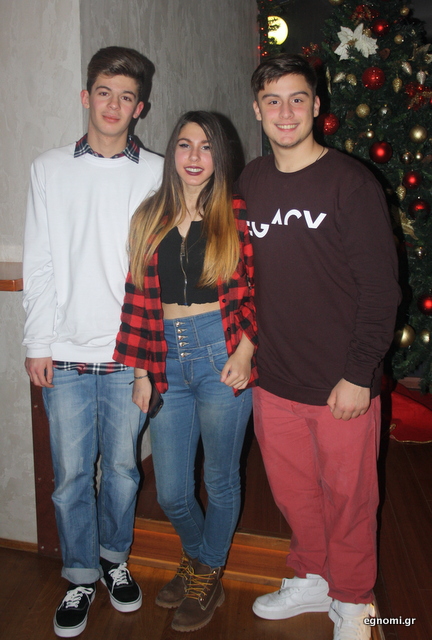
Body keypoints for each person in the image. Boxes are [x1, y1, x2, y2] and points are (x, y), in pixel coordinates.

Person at [237, 54, 400, 640]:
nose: (286, 112)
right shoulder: (250, 182)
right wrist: (246, 348)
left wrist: (359, 374)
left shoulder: (350, 183)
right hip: (274, 379)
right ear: (257, 109)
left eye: (297, 99)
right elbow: (242, 280)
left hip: (341, 383)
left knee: (351, 498)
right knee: (294, 493)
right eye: (273, 100)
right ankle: (311, 576)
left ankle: (354, 600)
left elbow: (381, 290)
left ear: (317, 106)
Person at [22, 46, 163, 638]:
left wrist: (150, 359)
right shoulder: (49, 168)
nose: (113, 105)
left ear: (140, 108)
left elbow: (162, 272)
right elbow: (39, 261)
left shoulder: (156, 172)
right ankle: (81, 574)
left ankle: (114, 560)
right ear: (87, 97)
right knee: (72, 477)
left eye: (126, 97)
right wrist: (37, 342)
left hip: (130, 355)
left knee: (125, 471)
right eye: (104, 92)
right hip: (68, 356)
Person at [113, 110, 257, 632]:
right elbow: (136, 299)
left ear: (220, 155)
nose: (194, 156)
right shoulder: (149, 215)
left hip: (222, 351)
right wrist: (141, 373)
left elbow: (263, 286)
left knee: (219, 478)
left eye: (206, 146)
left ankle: (207, 574)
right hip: (164, 357)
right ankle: (201, 558)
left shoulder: (237, 212)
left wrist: (246, 350)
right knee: (171, 491)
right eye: (185, 145)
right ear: (172, 152)